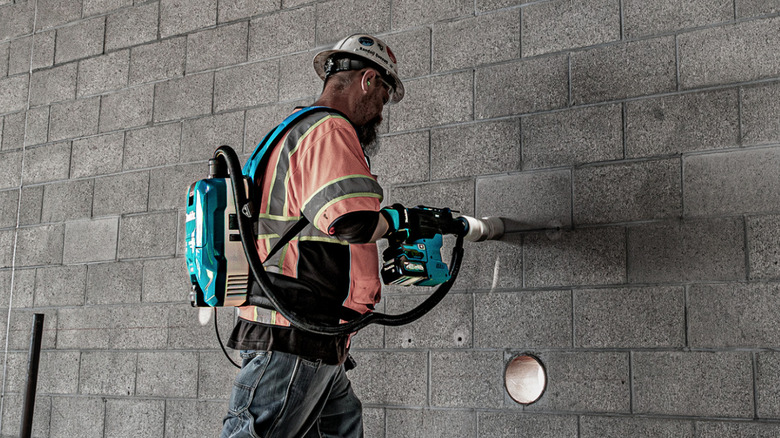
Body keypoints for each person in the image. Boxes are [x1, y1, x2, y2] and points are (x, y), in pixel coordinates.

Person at [220, 34, 405, 438]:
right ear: (369, 80)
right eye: (383, 100)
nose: (379, 114)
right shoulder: (329, 130)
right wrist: (401, 221)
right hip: (297, 329)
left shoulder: (294, 130)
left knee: (342, 423)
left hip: (304, 327)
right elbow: (351, 222)